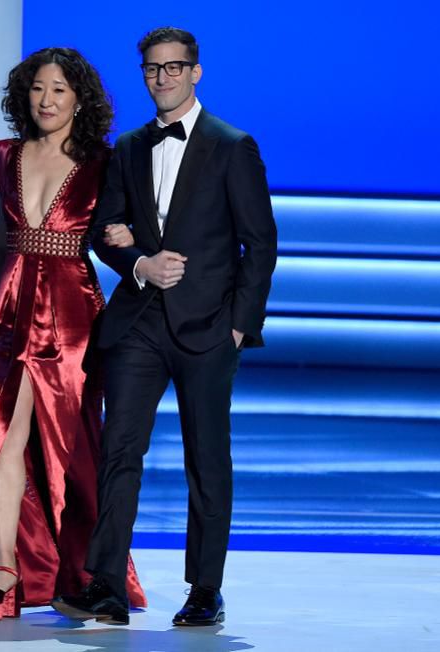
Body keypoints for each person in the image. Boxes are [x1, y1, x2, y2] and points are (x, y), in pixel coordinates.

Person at [52, 27, 277, 626]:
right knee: (119, 451)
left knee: (207, 458)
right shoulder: (128, 147)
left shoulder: (233, 146)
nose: (163, 78)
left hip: (209, 328)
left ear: (195, 72)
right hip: (139, 323)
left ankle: (205, 589)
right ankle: (106, 585)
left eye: (174, 67)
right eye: (153, 68)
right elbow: (104, 231)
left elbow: (260, 243)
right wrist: (139, 263)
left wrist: (239, 326)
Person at [0, 47, 147, 621]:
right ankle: (5, 570)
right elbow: (2, 242)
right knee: (4, 434)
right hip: (8, 309)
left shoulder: (104, 161)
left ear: (80, 99)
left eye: (59, 90)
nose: (46, 100)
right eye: (37, 88)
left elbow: (116, 234)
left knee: (74, 446)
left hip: (72, 313)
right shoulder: (4, 154)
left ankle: (91, 570)